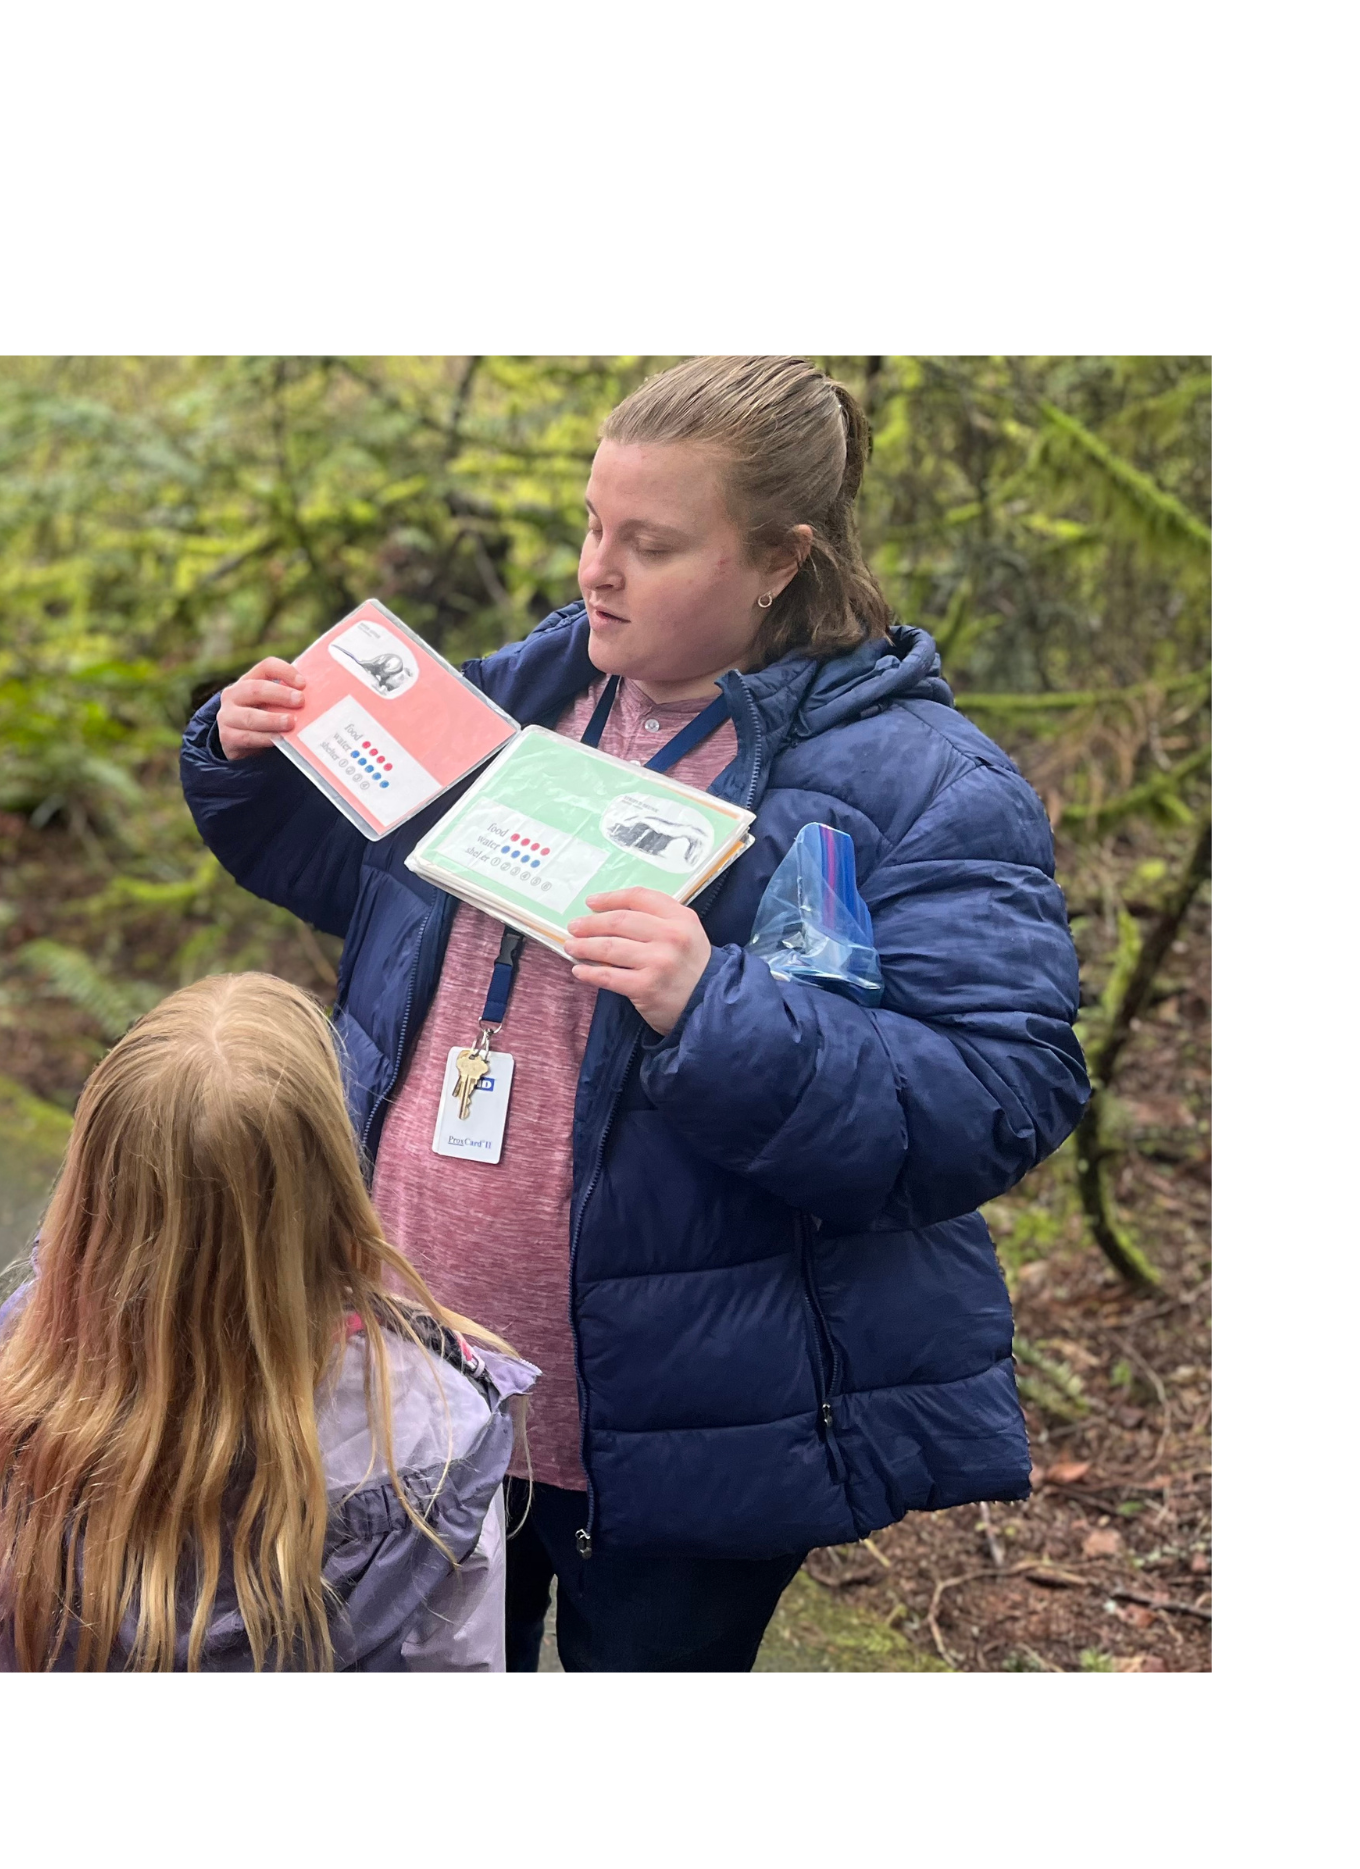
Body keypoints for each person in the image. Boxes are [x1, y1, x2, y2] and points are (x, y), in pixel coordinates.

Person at [183, 356, 1091, 1672]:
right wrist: (252, 757)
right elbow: (352, 875)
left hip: (683, 1432)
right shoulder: (514, 699)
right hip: (412, 1384)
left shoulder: (927, 788)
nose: (596, 571)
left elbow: (1000, 1089)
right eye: (593, 525)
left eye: (651, 545)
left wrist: (711, 1006)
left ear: (780, 557)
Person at [0, 973, 530, 1672]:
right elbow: (458, 1664)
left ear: (94, 1181)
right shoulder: (439, 1425)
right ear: (330, 1178)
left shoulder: (41, 1347)